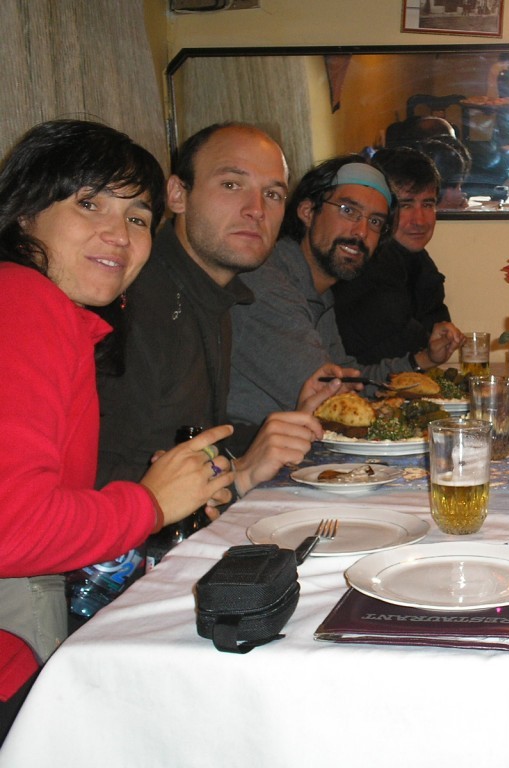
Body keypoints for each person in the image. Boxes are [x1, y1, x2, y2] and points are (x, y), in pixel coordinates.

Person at [0, 120, 235, 741]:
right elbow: (13, 531)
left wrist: (163, 494)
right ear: (24, 214)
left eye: (136, 217)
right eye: (88, 203)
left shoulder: (60, 317)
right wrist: (151, 504)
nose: (118, 232)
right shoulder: (24, 304)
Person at [97, 123, 336, 497]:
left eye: (272, 194)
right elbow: (100, 476)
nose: (256, 209)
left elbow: (193, 435)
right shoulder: (133, 300)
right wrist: (240, 469)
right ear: (177, 194)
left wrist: (277, 431)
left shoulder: (215, 296)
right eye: (231, 184)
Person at [228, 155, 463, 435]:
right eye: (348, 211)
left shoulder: (318, 290)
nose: (361, 232)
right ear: (307, 211)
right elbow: (331, 398)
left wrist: (423, 359)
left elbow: (347, 375)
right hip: (245, 454)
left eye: (375, 222)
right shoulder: (267, 288)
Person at [332, 146, 461, 365]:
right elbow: (405, 348)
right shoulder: (363, 264)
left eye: (427, 204)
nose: (419, 220)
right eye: (406, 205)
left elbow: (437, 331)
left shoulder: (420, 263)